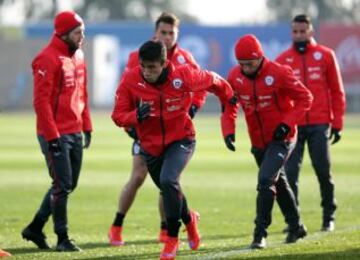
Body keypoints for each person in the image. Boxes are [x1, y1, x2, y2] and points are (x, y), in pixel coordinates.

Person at [112, 40, 233, 260]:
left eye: (153, 67)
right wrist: (134, 117)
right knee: (170, 188)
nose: (148, 72)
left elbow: (213, 80)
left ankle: (171, 239)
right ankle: (190, 220)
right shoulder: (131, 79)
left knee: (168, 181)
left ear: (164, 63)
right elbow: (117, 115)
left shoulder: (183, 76)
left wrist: (228, 96)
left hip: (182, 140)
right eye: (144, 67)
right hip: (150, 147)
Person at [108, 12, 207, 246]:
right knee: (138, 176)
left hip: (173, 131)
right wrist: (131, 124)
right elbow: (127, 91)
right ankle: (117, 225)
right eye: (163, 32)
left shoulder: (185, 59)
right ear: (155, 33)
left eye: (171, 33)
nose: (167, 37)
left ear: (177, 34)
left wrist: (194, 106)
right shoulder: (138, 57)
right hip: (142, 129)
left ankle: (166, 230)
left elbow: (201, 84)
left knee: (168, 180)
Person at [221, 34, 313, 249]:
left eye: (250, 64)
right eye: (241, 64)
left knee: (265, 180)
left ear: (260, 57)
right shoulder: (235, 76)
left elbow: (305, 97)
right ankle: (296, 225)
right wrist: (228, 130)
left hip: (283, 139)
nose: (246, 69)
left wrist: (287, 123)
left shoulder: (279, 73)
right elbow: (229, 105)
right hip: (258, 142)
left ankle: (259, 233)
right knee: (277, 182)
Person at [22, 11, 92, 252]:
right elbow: (40, 103)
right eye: (77, 32)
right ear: (63, 33)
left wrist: (87, 124)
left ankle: (34, 228)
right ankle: (62, 238)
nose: (82, 37)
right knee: (62, 184)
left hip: (74, 130)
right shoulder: (47, 59)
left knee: (67, 184)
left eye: (82, 31)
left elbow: (82, 92)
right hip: (55, 133)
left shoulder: (79, 55)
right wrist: (52, 137)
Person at [276, 14, 346, 232]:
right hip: (295, 127)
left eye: (302, 31)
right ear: (291, 32)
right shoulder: (283, 59)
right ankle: (294, 221)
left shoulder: (326, 56)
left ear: (311, 31)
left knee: (323, 171)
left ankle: (329, 216)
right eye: (295, 31)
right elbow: (279, 96)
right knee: (290, 174)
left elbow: (337, 90)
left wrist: (338, 122)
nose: (299, 35)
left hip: (319, 123)